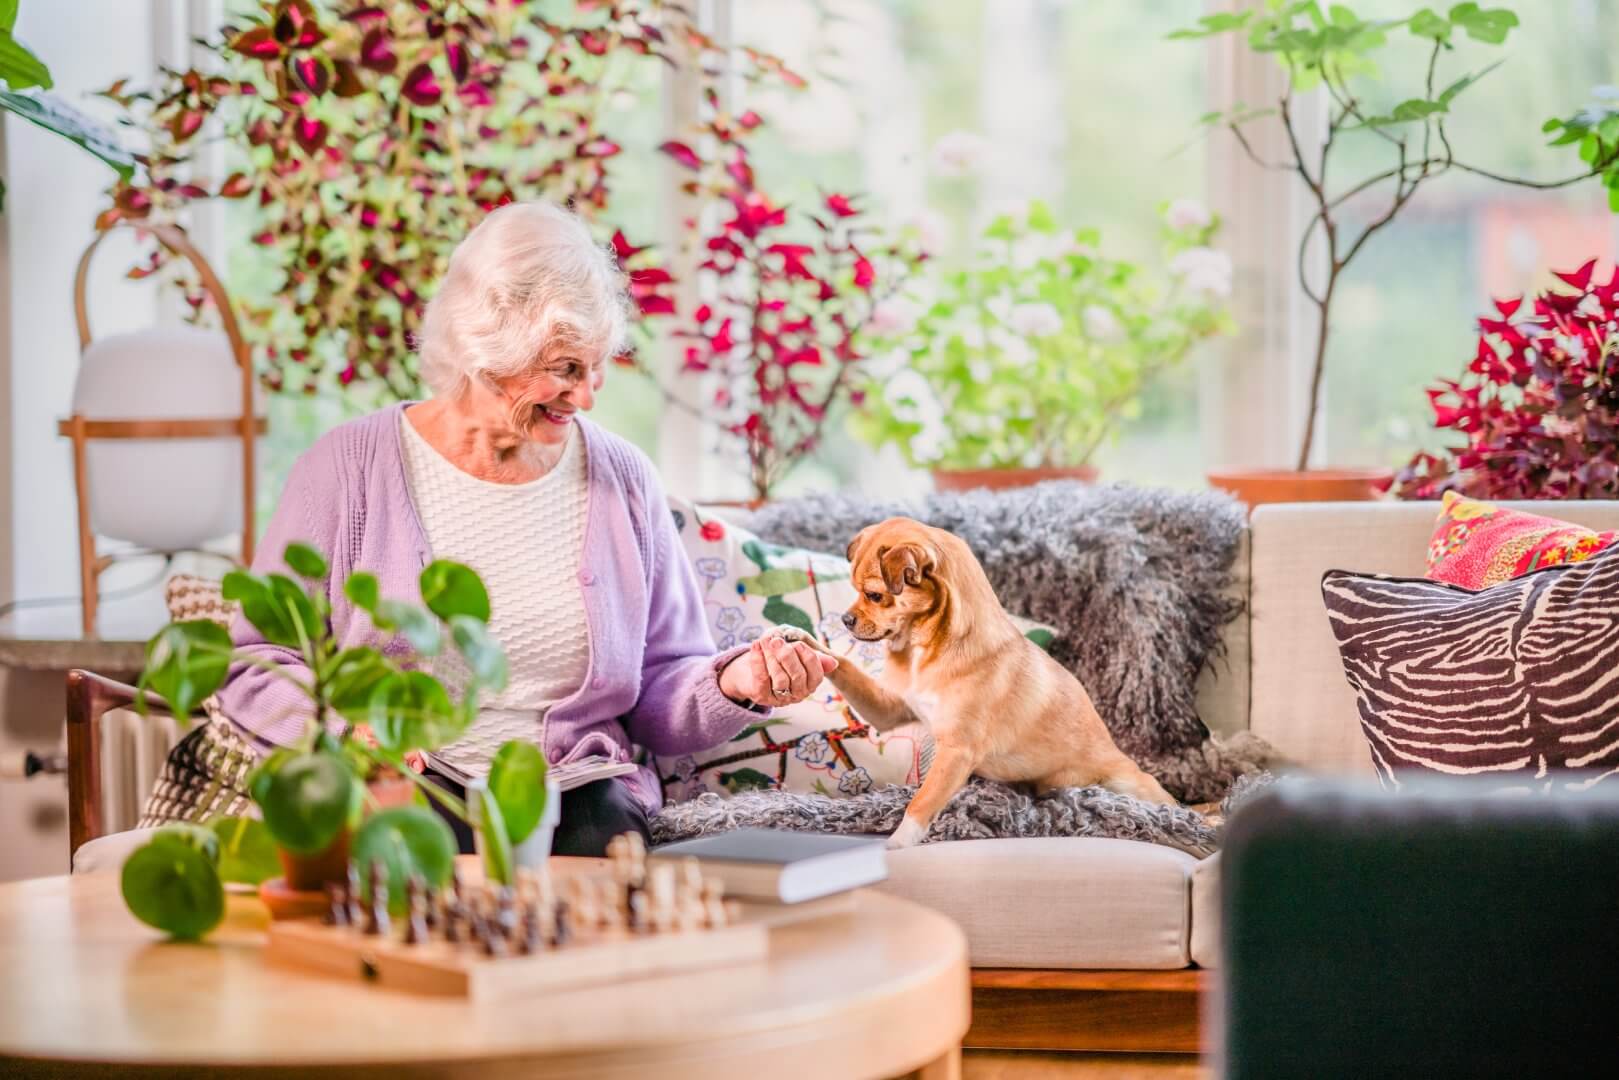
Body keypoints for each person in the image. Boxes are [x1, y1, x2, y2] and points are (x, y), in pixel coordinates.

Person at [137, 201, 836, 855]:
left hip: (573, 797)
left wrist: (737, 681)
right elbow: (257, 661)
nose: (587, 396)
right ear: (485, 348)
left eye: (596, 368)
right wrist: (338, 736)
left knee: (600, 886)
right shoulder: (347, 468)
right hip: (389, 785)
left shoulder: (622, 478)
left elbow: (661, 689)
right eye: (563, 369)